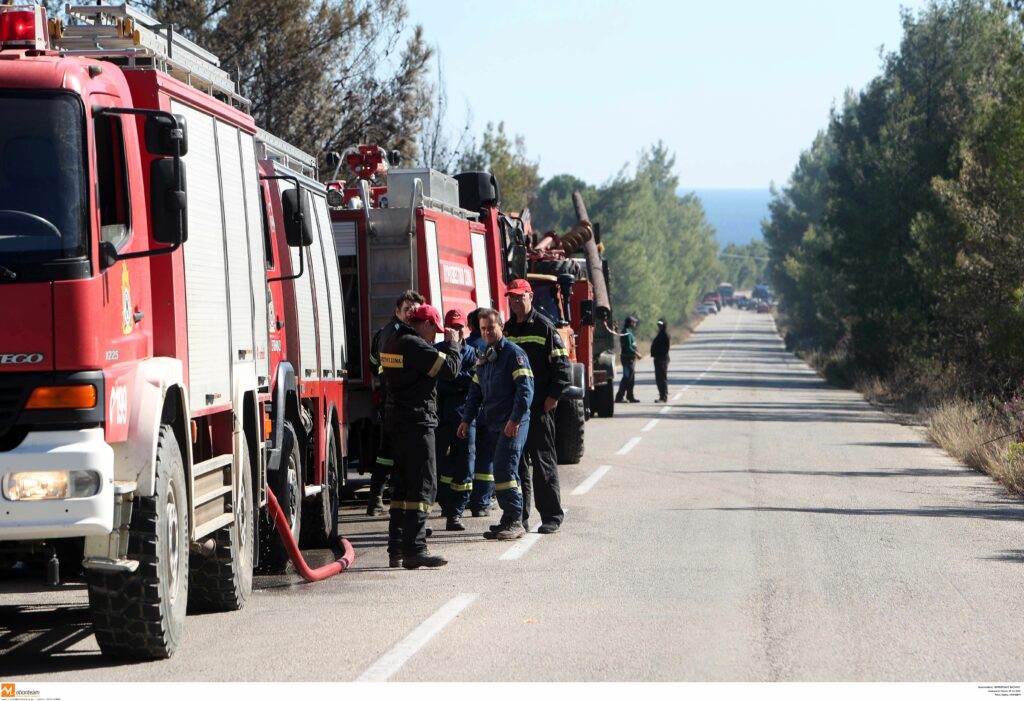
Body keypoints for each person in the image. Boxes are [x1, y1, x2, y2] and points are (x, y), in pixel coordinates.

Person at [381, 303, 461, 569]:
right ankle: (416, 549)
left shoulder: (392, 339)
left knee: (402, 487)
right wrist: (453, 345)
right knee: (423, 486)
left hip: (398, 421)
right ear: (424, 324)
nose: (435, 337)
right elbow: (450, 369)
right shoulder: (414, 345)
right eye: (434, 331)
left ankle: (396, 549)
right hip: (417, 422)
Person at [457, 308, 533, 541]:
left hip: (513, 422)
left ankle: (514, 520)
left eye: (491, 327)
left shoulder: (513, 353)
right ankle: (510, 519)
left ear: (501, 326)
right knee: (508, 471)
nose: (488, 331)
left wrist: (514, 420)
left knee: (504, 469)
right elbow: (475, 391)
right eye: (483, 328)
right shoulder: (485, 354)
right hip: (495, 422)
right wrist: (466, 419)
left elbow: (525, 390)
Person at [503, 278, 570, 534]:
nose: (516, 301)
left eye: (520, 296)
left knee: (542, 463)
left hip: (539, 408)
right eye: (512, 297)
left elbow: (562, 365)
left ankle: (552, 516)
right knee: (517, 465)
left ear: (530, 296)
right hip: (516, 411)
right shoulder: (508, 330)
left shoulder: (544, 327)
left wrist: (553, 397)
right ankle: (519, 517)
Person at [366, 290, 424, 516]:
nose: (411, 313)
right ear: (397, 311)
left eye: (415, 310)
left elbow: (373, 364)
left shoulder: (383, 332)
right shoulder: (401, 334)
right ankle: (386, 501)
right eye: (407, 309)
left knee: (386, 451)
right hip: (400, 400)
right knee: (395, 452)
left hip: (390, 399)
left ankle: (376, 499)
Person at [434, 309, 479, 531]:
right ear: (445, 330)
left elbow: (474, 382)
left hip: (466, 419)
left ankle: (457, 513)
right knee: (439, 466)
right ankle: (445, 505)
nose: (456, 331)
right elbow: (435, 383)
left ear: (465, 329)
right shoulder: (436, 352)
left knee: (465, 465)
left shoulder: (473, 353)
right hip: (441, 419)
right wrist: (456, 380)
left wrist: (451, 377)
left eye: (459, 327)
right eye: (452, 327)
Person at [615, 315, 642, 403]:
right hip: (627, 359)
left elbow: (632, 344)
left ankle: (630, 396)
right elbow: (628, 347)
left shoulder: (629, 332)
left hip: (630, 359)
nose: (635, 324)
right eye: (634, 322)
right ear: (630, 323)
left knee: (631, 378)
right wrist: (636, 353)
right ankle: (619, 397)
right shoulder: (626, 332)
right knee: (627, 378)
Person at [651, 318, 671, 403]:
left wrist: (660, 358)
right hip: (658, 359)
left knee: (662, 378)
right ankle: (661, 395)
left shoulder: (665, 335)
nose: (659, 326)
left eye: (661, 325)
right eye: (659, 325)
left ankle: (664, 397)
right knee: (658, 379)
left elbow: (666, 349)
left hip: (662, 360)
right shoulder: (660, 334)